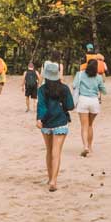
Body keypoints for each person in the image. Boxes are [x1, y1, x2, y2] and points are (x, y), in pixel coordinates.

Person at [37, 61, 76, 192]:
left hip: (46, 122)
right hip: (60, 121)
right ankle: (54, 180)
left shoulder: (42, 89)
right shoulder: (64, 88)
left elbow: (41, 106)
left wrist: (39, 119)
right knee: (56, 152)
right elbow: (70, 106)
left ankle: (49, 178)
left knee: (49, 151)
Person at [72, 58, 108, 157]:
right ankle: (90, 147)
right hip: (94, 101)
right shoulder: (98, 77)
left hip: (83, 100)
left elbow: (74, 85)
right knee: (90, 125)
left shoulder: (80, 74)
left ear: (87, 65)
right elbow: (104, 91)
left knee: (84, 126)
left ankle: (85, 147)